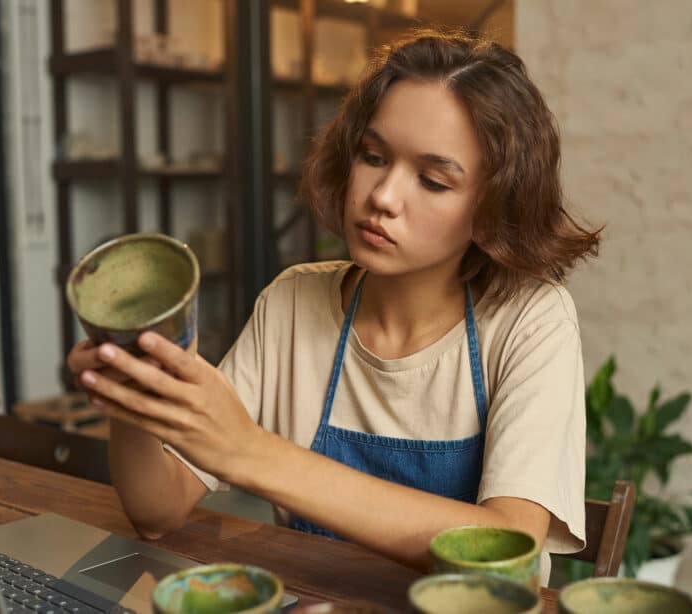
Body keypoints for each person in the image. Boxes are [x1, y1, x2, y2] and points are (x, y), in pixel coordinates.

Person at [67, 28, 600, 584]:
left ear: (494, 206)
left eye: (433, 180)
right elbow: (157, 513)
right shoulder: (293, 303)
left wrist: (251, 453)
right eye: (373, 156)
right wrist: (130, 397)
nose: (382, 197)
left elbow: (504, 552)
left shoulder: (530, 320)